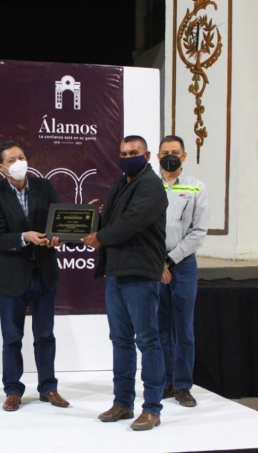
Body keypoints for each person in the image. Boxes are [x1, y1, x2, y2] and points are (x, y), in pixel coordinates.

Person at [82, 135, 168, 431]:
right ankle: (122, 403)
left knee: (147, 341)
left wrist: (101, 236)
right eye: (123, 153)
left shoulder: (152, 186)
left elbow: (132, 221)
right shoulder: (121, 183)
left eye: (134, 153)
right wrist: (92, 218)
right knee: (120, 340)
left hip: (140, 274)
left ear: (147, 156)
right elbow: (114, 219)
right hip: (116, 272)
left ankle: (152, 408)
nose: (127, 157)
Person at [0, 141, 69, 412]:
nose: (19, 163)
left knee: (45, 335)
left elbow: (59, 222)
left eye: (21, 157)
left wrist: (58, 237)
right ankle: (12, 390)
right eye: (11, 160)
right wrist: (25, 237)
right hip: (12, 277)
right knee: (12, 337)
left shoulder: (44, 187)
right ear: (1, 167)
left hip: (44, 274)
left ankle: (48, 387)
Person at [157, 135, 209, 407]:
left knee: (184, 329)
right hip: (153, 266)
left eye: (175, 152)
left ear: (184, 156)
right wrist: (158, 263)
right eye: (165, 152)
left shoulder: (196, 187)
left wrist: (170, 260)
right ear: (158, 157)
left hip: (183, 265)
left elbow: (198, 232)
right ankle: (164, 382)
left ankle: (183, 385)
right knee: (159, 328)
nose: (170, 156)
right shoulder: (148, 186)